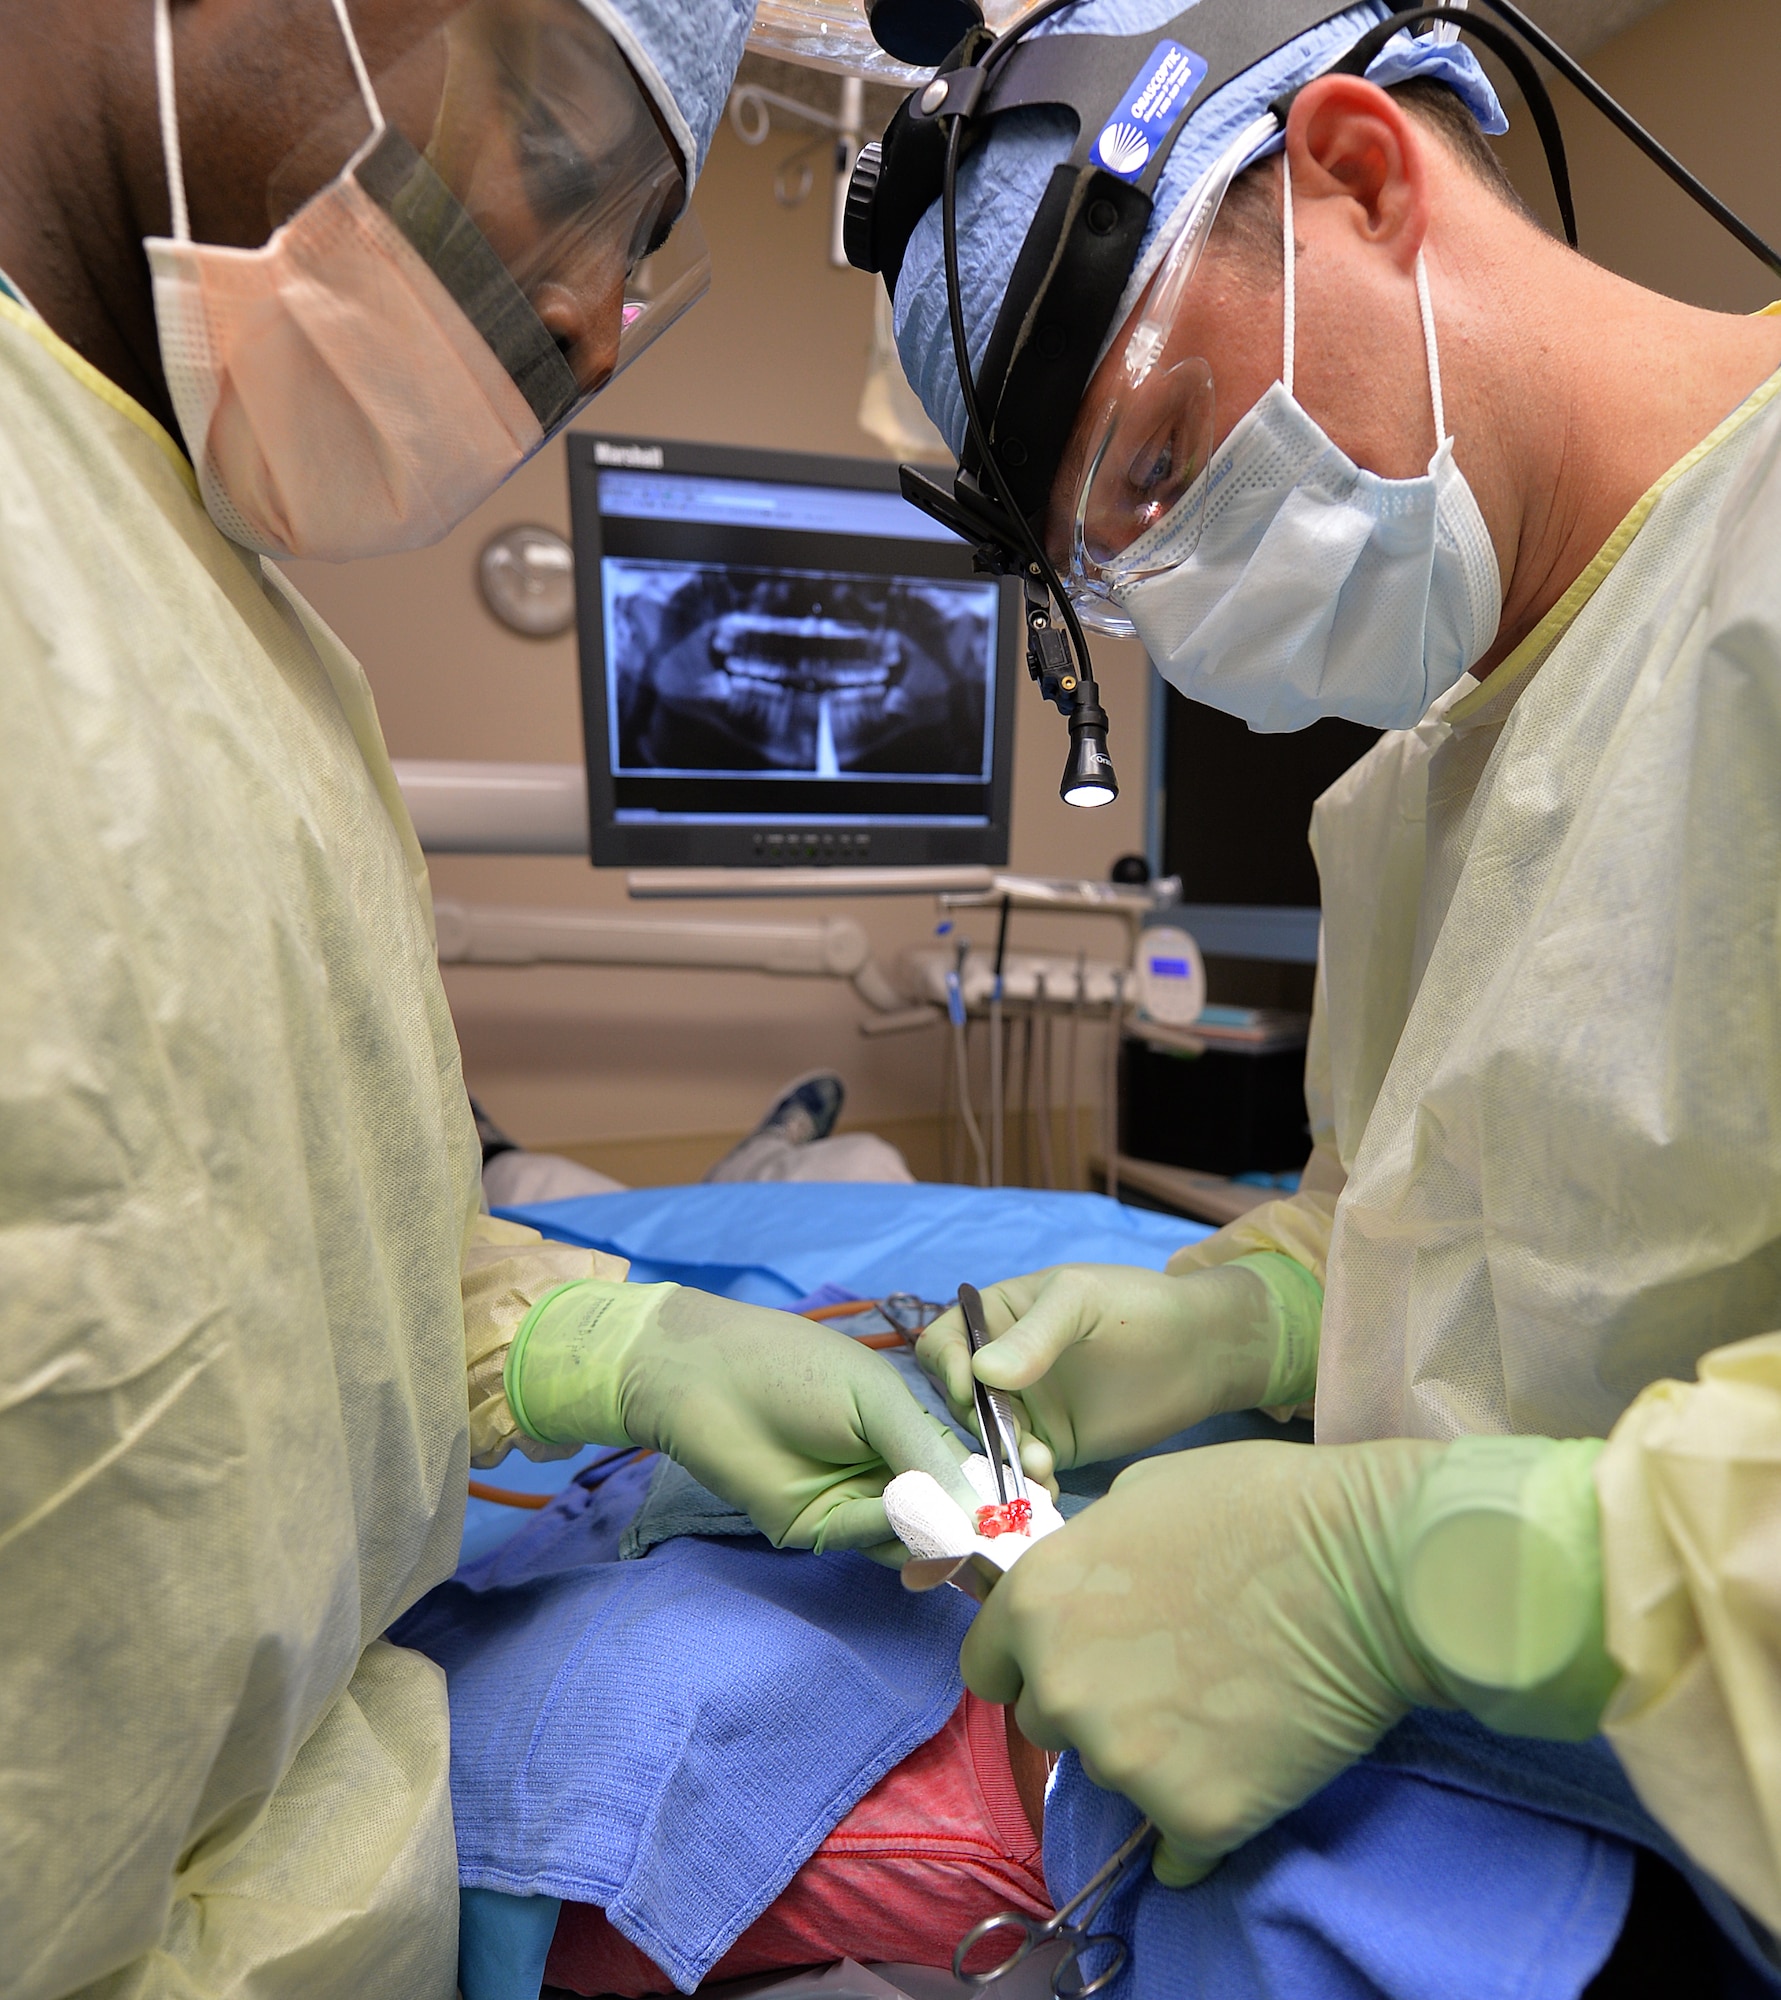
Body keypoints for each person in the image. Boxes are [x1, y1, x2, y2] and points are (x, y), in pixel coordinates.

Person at [0, 5, 977, 1995]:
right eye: (569, 150)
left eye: (645, 247)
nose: (600, 332)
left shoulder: (270, 659)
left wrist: (609, 1350)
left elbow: (314, 1272)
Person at [885, 0, 1781, 1964]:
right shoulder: (1408, 798)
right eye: (1112, 569)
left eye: (1160, 454)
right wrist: (1241, 1320)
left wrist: (1443, 1574)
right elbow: (1472, 1227)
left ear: (1363, 179)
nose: (1179, 587)